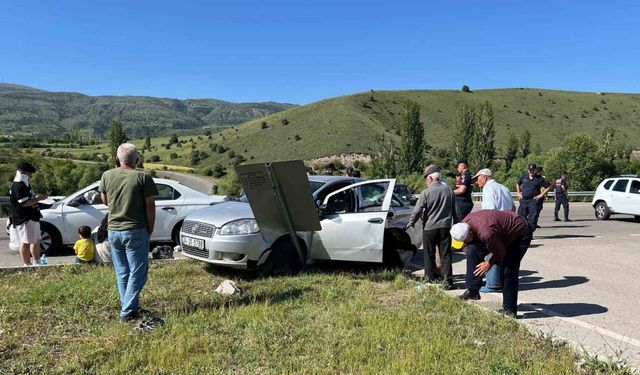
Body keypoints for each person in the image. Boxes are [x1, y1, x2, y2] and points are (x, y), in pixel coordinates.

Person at [99, 143, 158, 323]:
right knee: (139, 272)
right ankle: (127, 312)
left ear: (117, 159)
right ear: (136, 160)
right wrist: (150, 227)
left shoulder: (107, 175)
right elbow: (150, 205)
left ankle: (130, 307)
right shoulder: (143, 177)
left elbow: (105, 200)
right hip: (135, 230)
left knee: (122, 271)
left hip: (113, 231)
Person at [450, 210, 533, 317]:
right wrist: (469, 254)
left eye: (465, 240)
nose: (464, 243)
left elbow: (501, 251)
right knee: (472, 251)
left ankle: (510, 310)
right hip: (499, 234)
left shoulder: (486, 233)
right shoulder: (463, 225)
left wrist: (489, 263)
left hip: (519, 234)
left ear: (471, 233)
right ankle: (473, 291)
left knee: (508, 270)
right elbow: (466, 245)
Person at [406, 165, 458, 288]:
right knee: (445, 254)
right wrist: (456, 222)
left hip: (429, 228)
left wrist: (411, 223)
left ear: (430, 178)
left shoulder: (426, 192)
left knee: (429, 254)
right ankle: (448, 281)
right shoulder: (449, 190)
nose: (425, 181)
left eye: (426, 179)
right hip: (445, 227)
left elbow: (417, 210)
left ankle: (430, 279)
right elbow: (455, 210)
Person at [473, 168, 515, 293]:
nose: (476, 182)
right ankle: (499, 281)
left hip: (495, 224)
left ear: (485, 177)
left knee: (492, 251)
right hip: (507, 223)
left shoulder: (488, 189)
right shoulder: (503, 187)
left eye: (478, 178)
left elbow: (489, 211)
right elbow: (513, 207)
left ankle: (493, 283)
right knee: (502, 252)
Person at [10, 161, 47, 267]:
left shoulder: (25, 184)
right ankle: (26, 264)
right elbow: (25, 203)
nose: (31, 176)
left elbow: (29, 199)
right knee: (26, 242)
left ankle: (36, 261)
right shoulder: (18, 185)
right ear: (23, 173)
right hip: (24, 218)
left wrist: (37, 199)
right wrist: (39, 199)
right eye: (30, 174)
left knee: (35, 240)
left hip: (32, 216)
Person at [515, 163, 551, 231]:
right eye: (530, 170)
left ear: (535, 170)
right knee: (521, 217)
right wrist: (518, 192)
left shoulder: (540, 178)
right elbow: (517, 183)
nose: (531, 171)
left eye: (533, 170)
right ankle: (522, 233)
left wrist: (541, 195)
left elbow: (548, 187)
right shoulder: (524, 177)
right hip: (524, 201)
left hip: (533, 201)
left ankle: (530, 234)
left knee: (532, 218)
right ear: (528, 170)